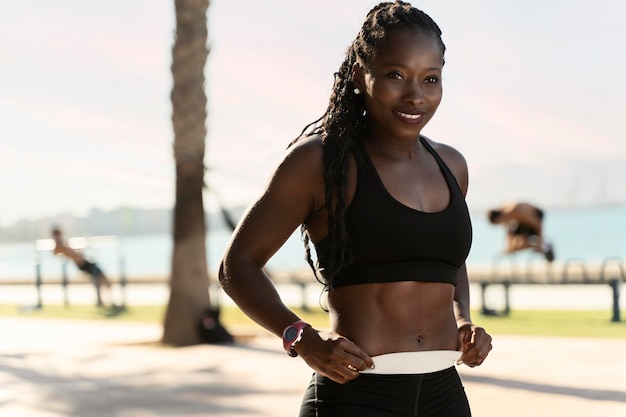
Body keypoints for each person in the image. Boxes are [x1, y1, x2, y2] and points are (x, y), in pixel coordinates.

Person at [219, 2, 492, 416]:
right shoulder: (319, 163)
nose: (415, 95)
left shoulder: (452, 165)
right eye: (395, 75)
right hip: (355, 396)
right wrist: (303, 338)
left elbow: (448, 261)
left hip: (444, 395)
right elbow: (237, 265)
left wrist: (463, 318)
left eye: (430, 79)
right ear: (358, 76)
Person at [51, 228, 113, 307]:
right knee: (101, 281)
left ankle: (103, 301)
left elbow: (74, 254)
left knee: (101, 282)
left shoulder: (62, 245)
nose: (60, 237)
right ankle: (105, 301)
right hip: (83, 265)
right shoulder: (59, 246)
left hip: (85, 263)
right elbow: (70, 254)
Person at [488, 202, 555, 262]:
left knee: (527, 243)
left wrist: (539, 243)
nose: (502, 224)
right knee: (516, 245)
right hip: (521, 223)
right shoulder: (504, 214)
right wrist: (508, 248)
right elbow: (509, 232)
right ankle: (542, 245)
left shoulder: (516, 211)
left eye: (499, 222)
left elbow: (537, 223)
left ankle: (545, 245)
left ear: (499, 218)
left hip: (534, 217)